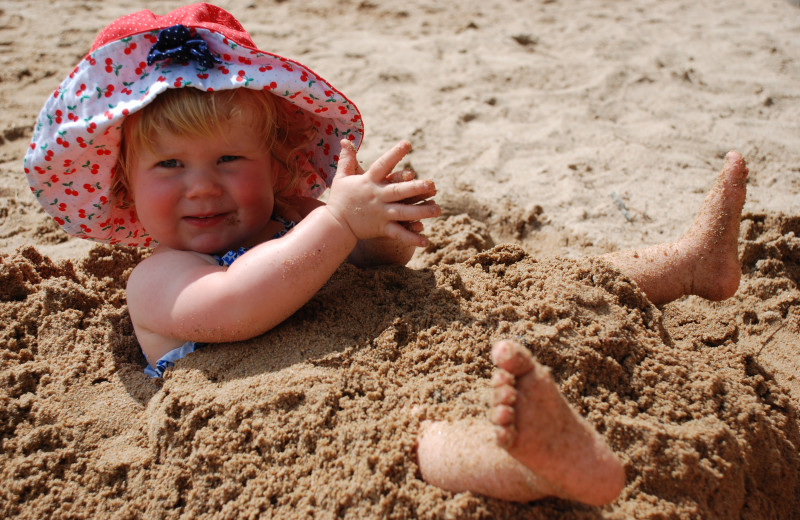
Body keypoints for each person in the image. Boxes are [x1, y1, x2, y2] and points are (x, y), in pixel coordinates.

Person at [24, 3, 749, 508]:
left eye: (229, 158)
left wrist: (377, 236)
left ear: (274, 163)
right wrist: (337, 223)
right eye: (170, 167)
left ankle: (683, 267)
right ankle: (527, 467)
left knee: (522, 286)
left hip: (381, 344)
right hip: (288, 409)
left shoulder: (290, 221)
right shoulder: (158, 278)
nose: (203, 185)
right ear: (124, 183)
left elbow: (368, 274)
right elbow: (240, 306)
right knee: (414, 430)